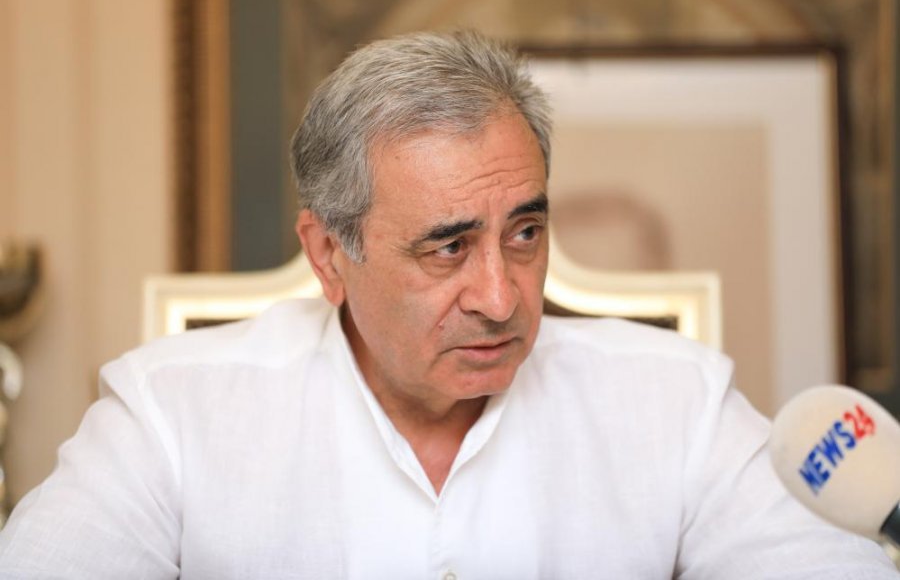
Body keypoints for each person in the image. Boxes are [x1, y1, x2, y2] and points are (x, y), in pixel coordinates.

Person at [0, 30, 896, 579]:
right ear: (329, 255)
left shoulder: (679, 403)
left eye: (524, 232)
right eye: (447, 247)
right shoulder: (168, 416)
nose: (502, 298)